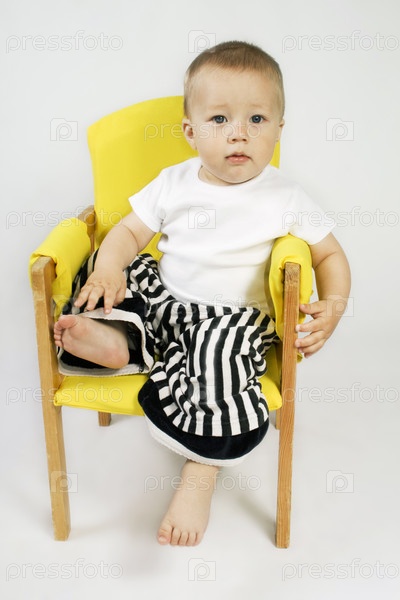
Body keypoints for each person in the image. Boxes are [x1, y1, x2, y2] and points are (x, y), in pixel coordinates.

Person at [54, 41, 351, 547]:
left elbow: (330, 256)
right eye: (219, 119)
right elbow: (127, 233)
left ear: (279, 130)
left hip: (231, 321)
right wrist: (107, 270)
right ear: (191, 132)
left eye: (257, 119)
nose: (239, 132)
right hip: (167, 301)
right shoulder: (173, 183)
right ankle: (120, 340)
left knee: (220, 355)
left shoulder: (285, 195)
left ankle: (201, 470)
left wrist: (334, 304)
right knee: (114, 270)